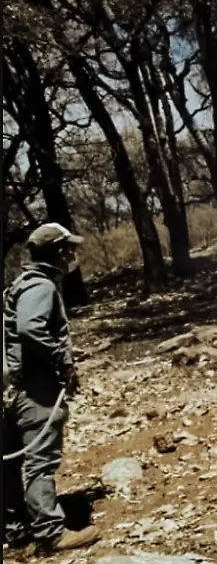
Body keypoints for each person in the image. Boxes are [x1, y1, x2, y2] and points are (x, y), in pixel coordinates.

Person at [2, 223, 100, 552]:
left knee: (12, 462)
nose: (73, 254)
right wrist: (63, 362)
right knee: (39, 459)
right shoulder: (41, 286)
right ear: (59, 251)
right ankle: (50, 532)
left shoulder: (21, 285)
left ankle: (17, 530)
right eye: (70, 248)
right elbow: (30, 329)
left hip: (13, 389)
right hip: (36, 389)